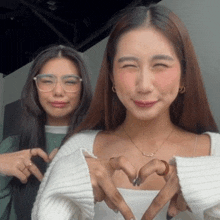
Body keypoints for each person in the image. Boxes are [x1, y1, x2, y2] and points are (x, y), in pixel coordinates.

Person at [32, 5, 220, 220]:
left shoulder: (216, 152)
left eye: (160, 65)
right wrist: (66, 185)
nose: (144, 85)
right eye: (129, 66)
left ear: (184, 75)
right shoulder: (78, 149)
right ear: (111, 75)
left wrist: (210, 182)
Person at [0, 45, 92, 220]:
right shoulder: (11, 147)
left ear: (82, 87)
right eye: (47, 81)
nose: (58, 91)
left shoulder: (100, 144)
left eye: (70, 81)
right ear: (35, 86)